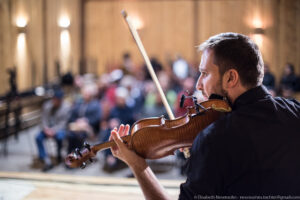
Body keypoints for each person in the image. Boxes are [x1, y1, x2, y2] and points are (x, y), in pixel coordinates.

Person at [108, 32, 300, 197]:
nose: (198, 84)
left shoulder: (215, 139)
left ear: (231, 77)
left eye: (205, 73)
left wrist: (137, 165)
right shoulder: (295, 112)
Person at [36, 88, 71, 171]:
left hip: (59, 129)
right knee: (38, 137)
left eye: (58, 100)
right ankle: (45, 160)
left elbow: (63, 123)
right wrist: (46, 129)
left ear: (61, 100)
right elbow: (43, 119)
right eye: (54, 100)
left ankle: (59, 155)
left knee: (60, 137)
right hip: (47, 129)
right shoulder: (47, 106)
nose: (55, 102)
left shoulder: (66, 107)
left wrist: (53, 130)